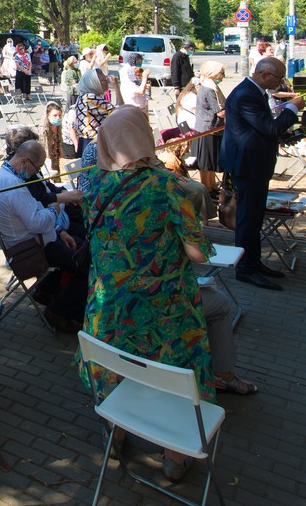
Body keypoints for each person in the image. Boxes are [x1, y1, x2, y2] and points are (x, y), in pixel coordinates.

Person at [80, 105, 253, 481]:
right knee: (179, 368)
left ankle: (117, 430)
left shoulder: (94, 183)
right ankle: (175, 455)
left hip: (109, 306)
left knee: (118, 363)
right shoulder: (167, 186)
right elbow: (196, 253)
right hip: (166, 309)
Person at [218, 56, 303, 290]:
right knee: (248, 218)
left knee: (255, 217)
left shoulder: (254, 91)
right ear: (264, 74)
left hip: (254, 163)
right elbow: (271, 127)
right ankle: (245, 268)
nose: (280, 82)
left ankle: (253, 262)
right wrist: (293, 108)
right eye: (278, 77)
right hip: (247, 165)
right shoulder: (246, 94)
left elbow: (264, 126)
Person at [0, 141, 87, 331]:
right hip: (32, 249)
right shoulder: (12, 184)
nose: (37, 171)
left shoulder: (5, 176)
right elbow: (37, 222)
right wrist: (55, 209)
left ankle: (46, 290)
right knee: (85, 263)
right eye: (38, 167)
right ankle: (58, 312)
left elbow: (34, 218)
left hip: (37, 241)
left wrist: (60, 230)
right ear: (25, 161)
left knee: (81, 247)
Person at [190, 60, 226, 196]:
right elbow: (219, 111)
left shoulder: (210, 86)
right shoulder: (209, 89)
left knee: (210, 161)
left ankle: (212, 185)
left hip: (209, 128)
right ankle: (206, 188)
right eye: (221, 73)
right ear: (214, 73)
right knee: (205, 162)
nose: (222, 76)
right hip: (207, 128)